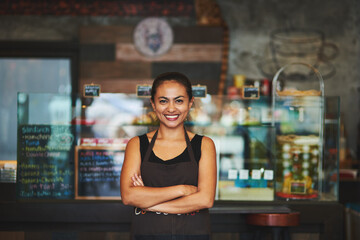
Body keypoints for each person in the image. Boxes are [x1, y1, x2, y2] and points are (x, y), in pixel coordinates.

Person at [120, 72, 217, 240]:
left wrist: (148, 203)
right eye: (163, 101)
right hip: (146, 234)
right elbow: (129, 197)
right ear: (153, 104)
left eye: (179, 100)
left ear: (190, 103)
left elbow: (205, 200)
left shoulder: (204, 145)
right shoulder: (137, 144)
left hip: (193, 235)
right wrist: (182, 189)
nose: (171, 108)